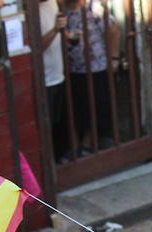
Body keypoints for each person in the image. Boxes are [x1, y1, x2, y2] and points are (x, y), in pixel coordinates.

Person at [63, 0, 120, 153]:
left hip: (96, 66)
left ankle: (88, 145)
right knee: (77, 109)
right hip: (72, 69)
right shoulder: (61, 9)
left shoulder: (92, 7)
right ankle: (76, 147)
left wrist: (114, 58)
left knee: (95, 108)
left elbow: (113, 29)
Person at [38, 0, 69, 161]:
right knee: (46, 129)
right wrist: (56, 30)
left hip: (59, 74)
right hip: (44, 80)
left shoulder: (52, 3)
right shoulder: (31, 11)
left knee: (59, 125)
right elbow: (36, 46)